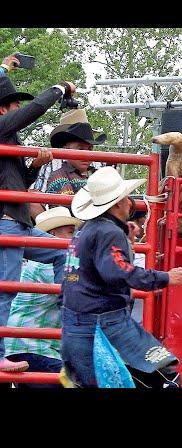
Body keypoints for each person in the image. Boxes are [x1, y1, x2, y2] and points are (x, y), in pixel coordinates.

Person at [60, 166, 182, 388]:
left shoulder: (86, 230)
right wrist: (166, 277)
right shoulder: (108, 233)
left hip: (77, 324)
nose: (130, 202)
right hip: (104, 325)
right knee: (166, 382)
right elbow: (118, 272)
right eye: (126, 198)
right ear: (118, 203)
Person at [0, 73, 76, 373]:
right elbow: (32, 112)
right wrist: (59, 88)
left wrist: (33, 166)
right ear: (4, 107)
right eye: (15, 103)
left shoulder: (7, 135)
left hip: (16, 220)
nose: (19, 108)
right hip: (7, 221)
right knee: (5, 289)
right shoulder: (3, 128)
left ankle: (66, 311)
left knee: (62, 252)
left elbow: (14, 181)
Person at [4, 207, 81, 387]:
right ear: (52, 235)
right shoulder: (45, 265)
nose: (75, 238)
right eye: (71, 232)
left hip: (29, 346)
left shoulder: (42, 263)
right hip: (32, 347)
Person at [29, 109, 105, 218]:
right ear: (66, 147)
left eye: (89, 149)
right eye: (80, 148)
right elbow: (34, 199)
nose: (86, 154)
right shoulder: (50, 162)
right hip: (63, 221)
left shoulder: (99, 165)